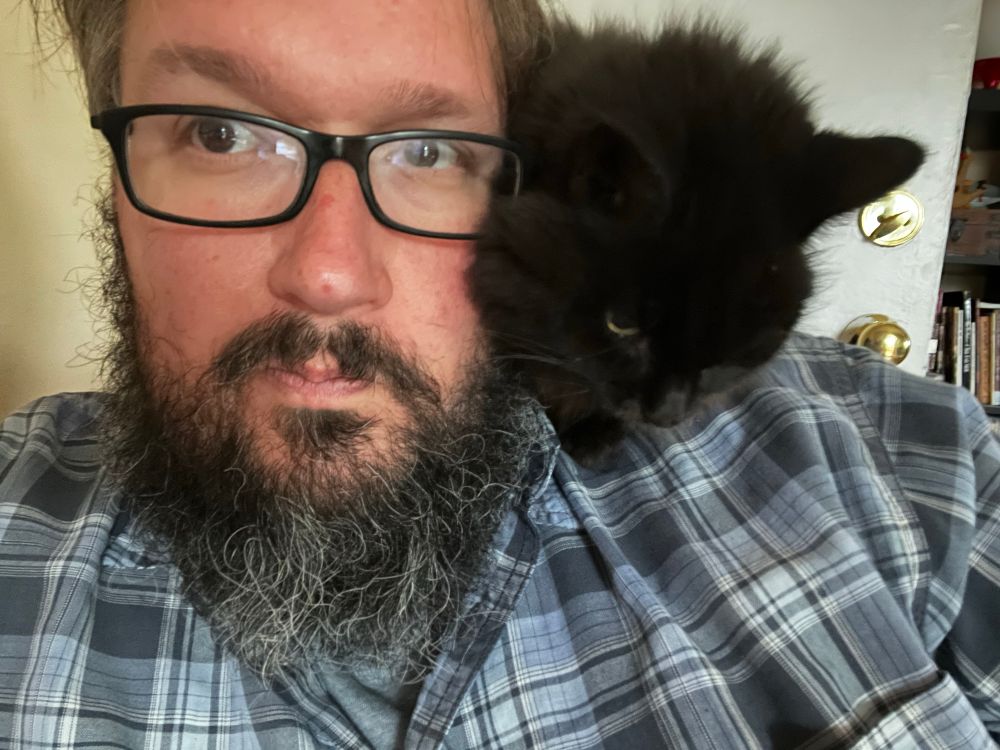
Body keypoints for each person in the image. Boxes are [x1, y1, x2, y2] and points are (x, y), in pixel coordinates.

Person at [2, 0, 998, 747]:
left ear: (522, 157)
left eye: (428, 149)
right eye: (222, 135)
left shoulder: (923, 476)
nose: (328, 274)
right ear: (114, 169)